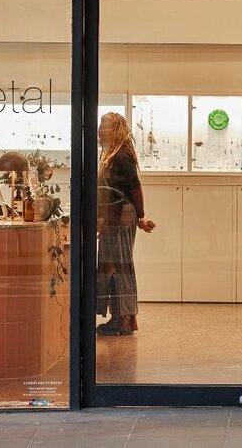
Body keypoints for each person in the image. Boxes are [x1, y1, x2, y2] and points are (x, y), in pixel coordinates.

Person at [96, 112, 155, 336]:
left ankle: (124, 321)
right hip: (111, 219)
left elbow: (135, 187)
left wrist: (141, 217)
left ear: (117, 129)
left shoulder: (120, 156)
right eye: (101, 126)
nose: (101, 130)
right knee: (112, 267)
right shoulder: (108, 154)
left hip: (121, 219)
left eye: (105, 126)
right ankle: (119, 318)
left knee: (119, 268)